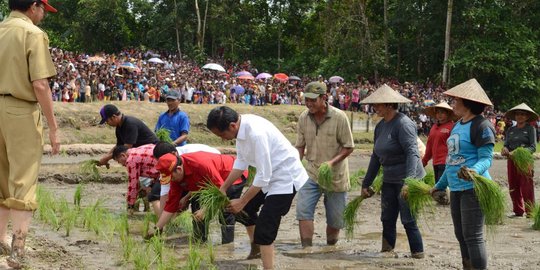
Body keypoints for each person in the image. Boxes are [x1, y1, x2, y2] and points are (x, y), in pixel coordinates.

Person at [207, 106, 308, 270]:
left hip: (285, 178)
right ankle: (256, 250)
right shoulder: (240, 129)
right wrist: (223, 188)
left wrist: (242, 200)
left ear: (232, 126)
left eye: (221, 135)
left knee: (265, 229)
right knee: (244, 212)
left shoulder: (256, 134)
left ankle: (268, 266)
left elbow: (263, 176)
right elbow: (241, 162)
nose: (222, 139)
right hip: (268, 175)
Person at [0, 0, 59, 268]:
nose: (44, 13)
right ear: (33, 6)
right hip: (20, 109)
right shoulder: (33, 34)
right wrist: (53, 126)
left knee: (0, 176)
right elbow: (40, 84)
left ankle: (0, 238)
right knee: (23, 177)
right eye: (43, 8)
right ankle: (18, 247)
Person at [431, 78, 496, 270]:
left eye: (456, 101)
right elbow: (451, 162)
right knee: (460, 234)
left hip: (474, 188)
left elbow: (486, 159)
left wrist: (473, 171)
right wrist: (440, 185)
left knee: (473, 236)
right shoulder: (458, 125)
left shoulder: (482, 126)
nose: (453, 104)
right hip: (457, 189)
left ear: (467, 103)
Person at [359, 84, 425, 259]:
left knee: (408, 219)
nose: (375, 108)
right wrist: (366, 183)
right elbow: (375, 156)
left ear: (389, 105)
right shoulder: (380, 126)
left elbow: (413, 154)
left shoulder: (403, 124)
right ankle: (387, 252)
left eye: (378, 104)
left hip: (406, 178)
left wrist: (409, 183)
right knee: (387, 218)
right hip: (389, 178)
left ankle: (417, 254)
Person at [295, 82, 354, 247]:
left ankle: (330, 248)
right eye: (306, 100)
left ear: (324, 98)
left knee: (335, 219)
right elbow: (300, 146)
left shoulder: (339, 117)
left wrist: (331, 162)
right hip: (311, 173)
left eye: (313, 100)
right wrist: (294, 167)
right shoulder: (303, 118)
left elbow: (348, 146)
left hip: (335, 176)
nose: (309, 104)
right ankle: (306, 249)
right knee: (303, 211)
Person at [150, 150, 246, 244]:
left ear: (178, 169)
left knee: (226, 210)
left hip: (231, 175)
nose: (172, 181)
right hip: (209, 183)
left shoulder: (200, 165)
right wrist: (157, 228)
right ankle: (200, 242)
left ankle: (227, 246)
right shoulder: (175, 177)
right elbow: (171, 206)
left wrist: (205, 210)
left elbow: (220, 191)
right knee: (196, 205)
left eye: (172, 178)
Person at [151, 141, 221, 215]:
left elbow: (198, 183)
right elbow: (165, 191)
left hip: (212, 167)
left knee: (196, 201)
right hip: (193, 176)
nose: (162, 164)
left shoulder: (191, 159)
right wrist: (161, 216)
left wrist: (186, 198)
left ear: (174, 154)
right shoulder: (167, 163)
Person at [501, 103, 537, 218]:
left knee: (526, 187)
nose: (520, 116)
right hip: (511, 160)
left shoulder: (530, 129)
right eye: (517, 114)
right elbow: (506, 144)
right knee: (513, 185)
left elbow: (533, 147)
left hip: (525, 161)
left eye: (522, 114)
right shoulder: (510, 130)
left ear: (527, 117)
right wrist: (505, 149)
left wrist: (519, 152)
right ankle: (518, 210)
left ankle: (530, 212)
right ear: (515, 116)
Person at [111, 144, 161, 216]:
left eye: (119, 161)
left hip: (166, 171)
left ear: (123, 155)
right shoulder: (137, 150)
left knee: (154, 196)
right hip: (168, 164)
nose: (121, 164)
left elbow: (133, 185)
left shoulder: (131, 159)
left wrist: (130, 205)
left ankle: (162, 221)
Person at [422, 102, 456, 204]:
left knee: (442, 185)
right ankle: (444, 200)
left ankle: (448, 200)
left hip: (446, 161)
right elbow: (429, 145)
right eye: (438, 113)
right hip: (436, 161)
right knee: (438, 184)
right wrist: (424, 160)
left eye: (442, 112)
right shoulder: (433, 128)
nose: (439, 115)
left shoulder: (452, 127)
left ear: (448, 114)